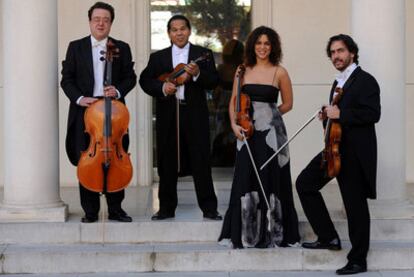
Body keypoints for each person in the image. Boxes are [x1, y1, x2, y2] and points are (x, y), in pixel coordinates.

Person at [296, 34, 381, 275]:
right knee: (305, 183)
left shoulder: (365, 81)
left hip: (354, 153)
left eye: (340, 51)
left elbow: (372, 114)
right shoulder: (339, 82)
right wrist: (327, 118)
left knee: (355, 205)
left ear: (352, 53)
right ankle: (328, 237)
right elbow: (337, 116)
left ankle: (358, 259)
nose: (336, 56)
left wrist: (339, 114)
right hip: (334, 148)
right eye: (333, 52)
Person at [218, 26, 300, 248]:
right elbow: (234, 101)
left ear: (273, 47)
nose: (262, 47)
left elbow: (288, 104)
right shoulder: (242, 70)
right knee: (245, 177)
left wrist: (269, 115)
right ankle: (247, 233)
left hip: (272, 134)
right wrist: (235, 125)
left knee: (273, 178)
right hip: (246, 131)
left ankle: (276, 233)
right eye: (258, 43)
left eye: (267, 43)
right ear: (252, 45)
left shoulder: (280, 72)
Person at [139, 15, 222, 221]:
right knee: (167, 161)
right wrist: (162, 87)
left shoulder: (202, 54)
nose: (179, 33)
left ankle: (209, 208)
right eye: (174, 29)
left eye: (182, 28)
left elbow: (213, 81)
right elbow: (144, 80)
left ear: (189, 30)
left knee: (201, 159)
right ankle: (166, 208)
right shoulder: (159, 58)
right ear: (169, 33)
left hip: (195, 114)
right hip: (169, 114)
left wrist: (196, 74)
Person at [61, 2, 136, 223]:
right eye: (97, 19)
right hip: (86, 113)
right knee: (87, 157)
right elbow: (67, 79)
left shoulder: (121, 47)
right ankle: (90, 210)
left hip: (113, 112)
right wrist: (79, 98)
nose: (101, 23)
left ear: (111, 23)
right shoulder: (76, 47)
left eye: (106, 19)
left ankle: (115, 209)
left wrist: (118, 89)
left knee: (115, 158)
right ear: (90, 21)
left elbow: (130, 77)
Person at [211, 39, 244, 166]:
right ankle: (223, 159)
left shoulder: (242, 68)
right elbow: (216, 90)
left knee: (235, 133)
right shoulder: (222, 69)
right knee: (222, 133)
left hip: (237, 104)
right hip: (224, 104)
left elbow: (216, 92)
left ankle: (233, 159)